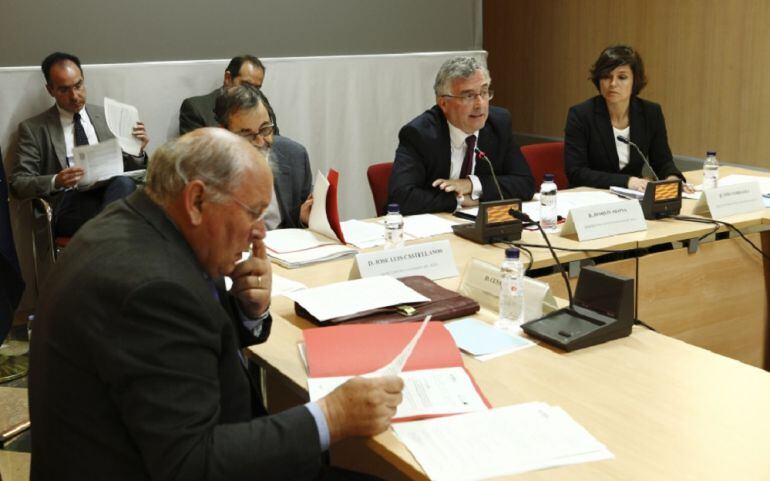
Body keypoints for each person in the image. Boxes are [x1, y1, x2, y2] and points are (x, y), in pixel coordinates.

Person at [28, 128, 403, 481]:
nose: (261, 231)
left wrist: (245, 312)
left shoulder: (140, 224)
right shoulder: (154, 288)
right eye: (253, 212)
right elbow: (192, 463)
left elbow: (180, 344)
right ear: (196, 200)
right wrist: (332, 416)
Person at [9, 52, 150, 237]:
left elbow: (129, 170)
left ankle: (106, 244)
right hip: (69, 203)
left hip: (110, 193)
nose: (74, 96)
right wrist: (56, 181)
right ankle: (114, 242)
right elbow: (18, 183)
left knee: (124, 184)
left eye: (78, 85)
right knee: (126, 217)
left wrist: (137, 151)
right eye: (64, 90)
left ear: (84, 80)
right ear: (50, 90)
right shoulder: (34, 129)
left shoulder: (106, 117)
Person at [388, 56, 535, 215]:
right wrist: (459, 200)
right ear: (444, 103)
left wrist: (471, 185)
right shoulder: (420, 134)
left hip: (478, 224)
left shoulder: (498, 124)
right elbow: (400, 198)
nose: (480, 105)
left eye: (484, 92)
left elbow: (525, 184)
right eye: (468, 96)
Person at [564, 45, 688, 192]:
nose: (613, 84)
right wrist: (627, 181)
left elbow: (662, 161)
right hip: (591, 196)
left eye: (622, 77)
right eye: (606, 76)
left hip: (633, 196)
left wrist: (672, 179)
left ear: (635, 81)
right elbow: (577, 172)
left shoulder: (651, 113)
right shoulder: (581, 115)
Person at [214, 84, 313, 228]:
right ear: (224, 133)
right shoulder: (207, 172)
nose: (260, 142)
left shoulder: (295, 156)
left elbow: (296, 224)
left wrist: (303, 218)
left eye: (265, 129)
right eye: (247, 135)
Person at [179, 55, 279, 135]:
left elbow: (277, 144)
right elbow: (195, 155)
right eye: (246, 85)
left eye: (256, 88)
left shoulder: (262, 104)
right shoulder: (197, 109)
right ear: (228, 78)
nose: (251, 92)